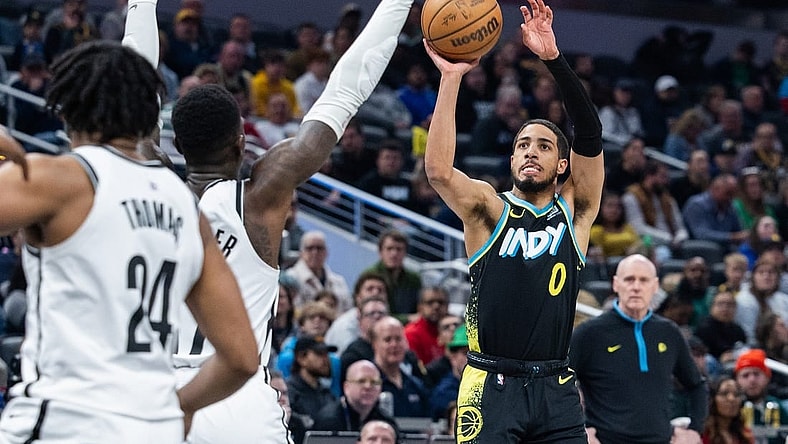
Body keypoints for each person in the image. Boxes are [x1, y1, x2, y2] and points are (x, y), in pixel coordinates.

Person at [170, 0, 415, 442]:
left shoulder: (147, 199)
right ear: (242, 141)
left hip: (156, 397)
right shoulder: (261, 196)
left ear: (178, 144)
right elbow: (343, 91)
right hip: (235, 401)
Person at [0, 39, 259, 441]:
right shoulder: (184, 205)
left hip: (66, 422)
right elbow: (242, 359)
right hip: (152, 429)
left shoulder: (61, 177)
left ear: (69, 108)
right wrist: (179, 407)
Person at [423, 0, 604, 441]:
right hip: (489, 382)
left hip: (556, 385)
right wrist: (451, 80)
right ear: (511, 157)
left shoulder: (576, 211)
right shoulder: (489, 208)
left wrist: (553, 61)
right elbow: (439, 173)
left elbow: (591, 134)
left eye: (543, 146)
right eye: (523, 145)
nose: (530, 152)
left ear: (562, 165)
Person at [570, 254, 708, 444]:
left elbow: (697, 385)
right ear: (616, 284)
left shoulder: (669, 332)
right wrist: (579, 429)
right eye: (629, 279)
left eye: (643, 280)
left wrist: (695, 430)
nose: (636, 287)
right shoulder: (589, 333)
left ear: (655, 286)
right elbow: (559, 386)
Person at [312, 359, 399, 434]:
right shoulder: (328, 421)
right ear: (346, 387)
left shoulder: (386, 422)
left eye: (374, 382)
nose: (368, 387)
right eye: (361, 381)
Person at [283, 230, 353, 311]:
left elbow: (348, 310)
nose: (315, 252)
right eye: (310, 248)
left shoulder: (339, 281)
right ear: (301, 253)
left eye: (319, 248)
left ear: (326, 252)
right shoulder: (291, 278)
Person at [361, 229, 422, 317]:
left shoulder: (414, 278)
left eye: (399, 249)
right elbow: (369, 313)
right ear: (380, 252)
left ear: (405, 252)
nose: (394, 253)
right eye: (389, 249)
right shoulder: (369, 277)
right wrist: (406, 319)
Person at [734, 348, 788, 444]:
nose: (752, 380)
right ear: (737, 380)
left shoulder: (777, 406)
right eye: (745, 375)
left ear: (767, 377)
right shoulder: (732, 409)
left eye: (756, 374)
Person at [403, 286, 449, 366]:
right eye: (430, 302)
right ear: (420, 307)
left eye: (441, 302)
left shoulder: (456, 330)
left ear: (447, 306)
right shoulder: (411, 334)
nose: (436, 306)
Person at [702, 375, 754, 444]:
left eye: (736, 394)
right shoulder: (702, 433)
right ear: (713, 399)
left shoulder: (745, 434)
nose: (731, 399)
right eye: (724, 394)